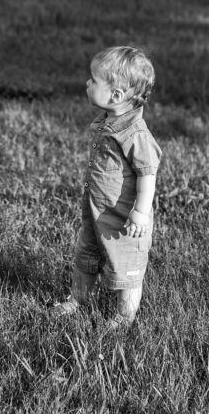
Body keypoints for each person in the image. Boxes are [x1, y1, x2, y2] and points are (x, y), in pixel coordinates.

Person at [54, 46, 161, 328]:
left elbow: (147, 174)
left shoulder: (136, 134)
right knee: (86, 253)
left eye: (93, 80)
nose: (87, 84)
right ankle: (78, 299)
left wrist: (140, 212)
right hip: (98, 210)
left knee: (126, 267)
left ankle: (124, 317)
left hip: (124, 219)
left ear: (115, 96)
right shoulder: (108, 121)